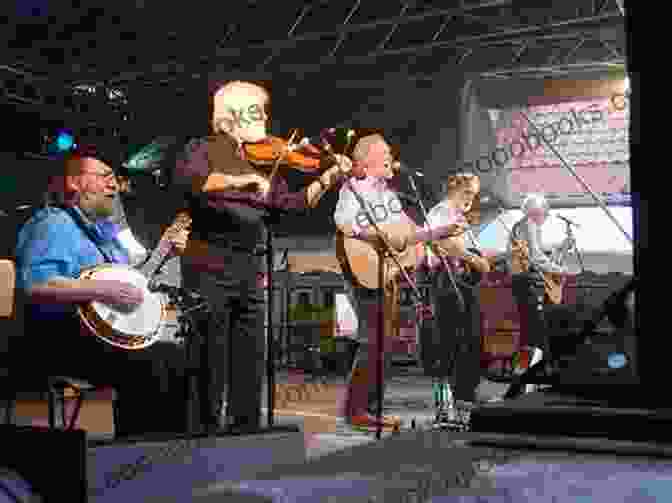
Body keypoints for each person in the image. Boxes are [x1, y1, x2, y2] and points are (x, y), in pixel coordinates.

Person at [172, 80, 353, 432]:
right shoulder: (202, 148)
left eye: (262, 111)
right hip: (209, 261)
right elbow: (195, 182)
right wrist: (242, 182)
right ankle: (203, 433)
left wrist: (329, 176)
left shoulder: (261, 159)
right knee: (209, 356)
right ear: (227, 117)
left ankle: (247, 432)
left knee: (250, 356)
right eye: (255, 111)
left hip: (251, 264)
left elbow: (294, 205)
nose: (264, 118)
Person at [14, 146, 191, 437]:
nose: (114, 184)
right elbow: (36, 285)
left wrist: (164, 252)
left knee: (177, 359)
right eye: (105, 176)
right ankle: (140, 454)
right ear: (74, 183)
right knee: (157, 363)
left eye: (115, 177)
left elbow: (133, 285)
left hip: (97, 338)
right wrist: (101, 289)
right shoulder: (53, 224)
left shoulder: (107, 236)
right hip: (59, 340)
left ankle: (166, 451)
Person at [333, 133, 458, 429]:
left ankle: (371, 409)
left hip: (385, 273)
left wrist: (439, 232)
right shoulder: (356, 188)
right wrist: (374, 235)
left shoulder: (389, 197)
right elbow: (343, 222)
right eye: (384, 151)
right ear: (366, 160)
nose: (391, 155)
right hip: (364, 267)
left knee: (384, 343)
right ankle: (356, 409)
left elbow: (408, 234)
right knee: (373, 340)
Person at [417, 173, 492, 425]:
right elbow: (441, 245)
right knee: (450, 342)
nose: (471, 199)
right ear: (455, 189)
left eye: (474, 194)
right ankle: (447, 406)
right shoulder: (440, 212)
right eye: (468, 193)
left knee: (470, 340)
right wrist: (473, 259)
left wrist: (480, 259)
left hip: (460, 281)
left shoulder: (459, 217)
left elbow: (466, 249)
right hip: (446, 280)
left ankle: (464, 399)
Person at [504, 192, 570, 397]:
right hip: (529, 283)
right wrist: (560, 270)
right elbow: (535, 258)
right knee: (538, 334)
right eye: (545, 213)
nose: (546, 218)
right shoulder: (530, 225)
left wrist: (558, 249)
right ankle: (533, 381)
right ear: (537, 211)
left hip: (521, 282)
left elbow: (533, 253)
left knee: (529, 335)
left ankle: (524, 382)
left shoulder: (520, 226)